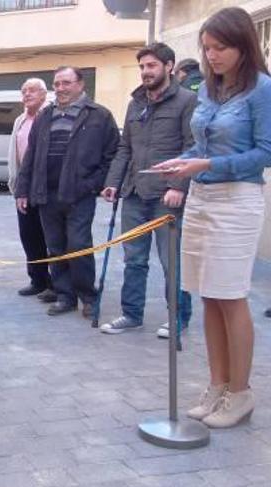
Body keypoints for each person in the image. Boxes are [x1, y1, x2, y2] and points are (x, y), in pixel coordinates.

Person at [153, 7, 271, 428]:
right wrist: (180, 162)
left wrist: (204, 166)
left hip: (237, 199)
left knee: (230, 295)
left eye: (220, 48)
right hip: (201, 197)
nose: (212, 55)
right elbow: (200, 145)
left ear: (243, 45)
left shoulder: (261, 89)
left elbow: (265, 153)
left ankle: (240, 393)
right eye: (206, 48)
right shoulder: (208, 88)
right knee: (206, 294)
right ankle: (217, 385)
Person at [99, 43, 196, 338]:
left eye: (151, 65)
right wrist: (112, 182)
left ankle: (178, 317)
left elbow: (191, 147)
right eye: (142, 67)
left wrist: (178, 185)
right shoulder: (135, 103)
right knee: (134, 259)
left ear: (169, 66)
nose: (145, 72)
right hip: (134, 193)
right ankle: (131, 314)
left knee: (171, 261)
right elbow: (125, 147)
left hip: (166, 196)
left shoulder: (187, 100)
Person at [15, 66, 119, 318]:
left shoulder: (99, 116)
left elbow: (112, 154)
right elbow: (30, 156)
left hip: (78, 194)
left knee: (79, 244)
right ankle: (65, 295)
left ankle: (88, 296)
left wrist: (94, 183)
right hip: (46, 194)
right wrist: (22, 189)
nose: (60, 88)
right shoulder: (44, 116)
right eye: (57, 84)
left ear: (80, 85)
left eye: (66, 83)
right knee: (55, 246)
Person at [7, 78, 54, 302]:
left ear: (44, 94)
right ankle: (37, 279)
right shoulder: (20, 120)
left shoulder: (50, 116)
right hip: (24, 186)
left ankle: (55, 283)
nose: (27, 94)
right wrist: (16, 184)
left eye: (32, 90)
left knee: (49, 235)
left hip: (45, 186)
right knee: (29, 234)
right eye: (24, 90)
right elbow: (14, 154)